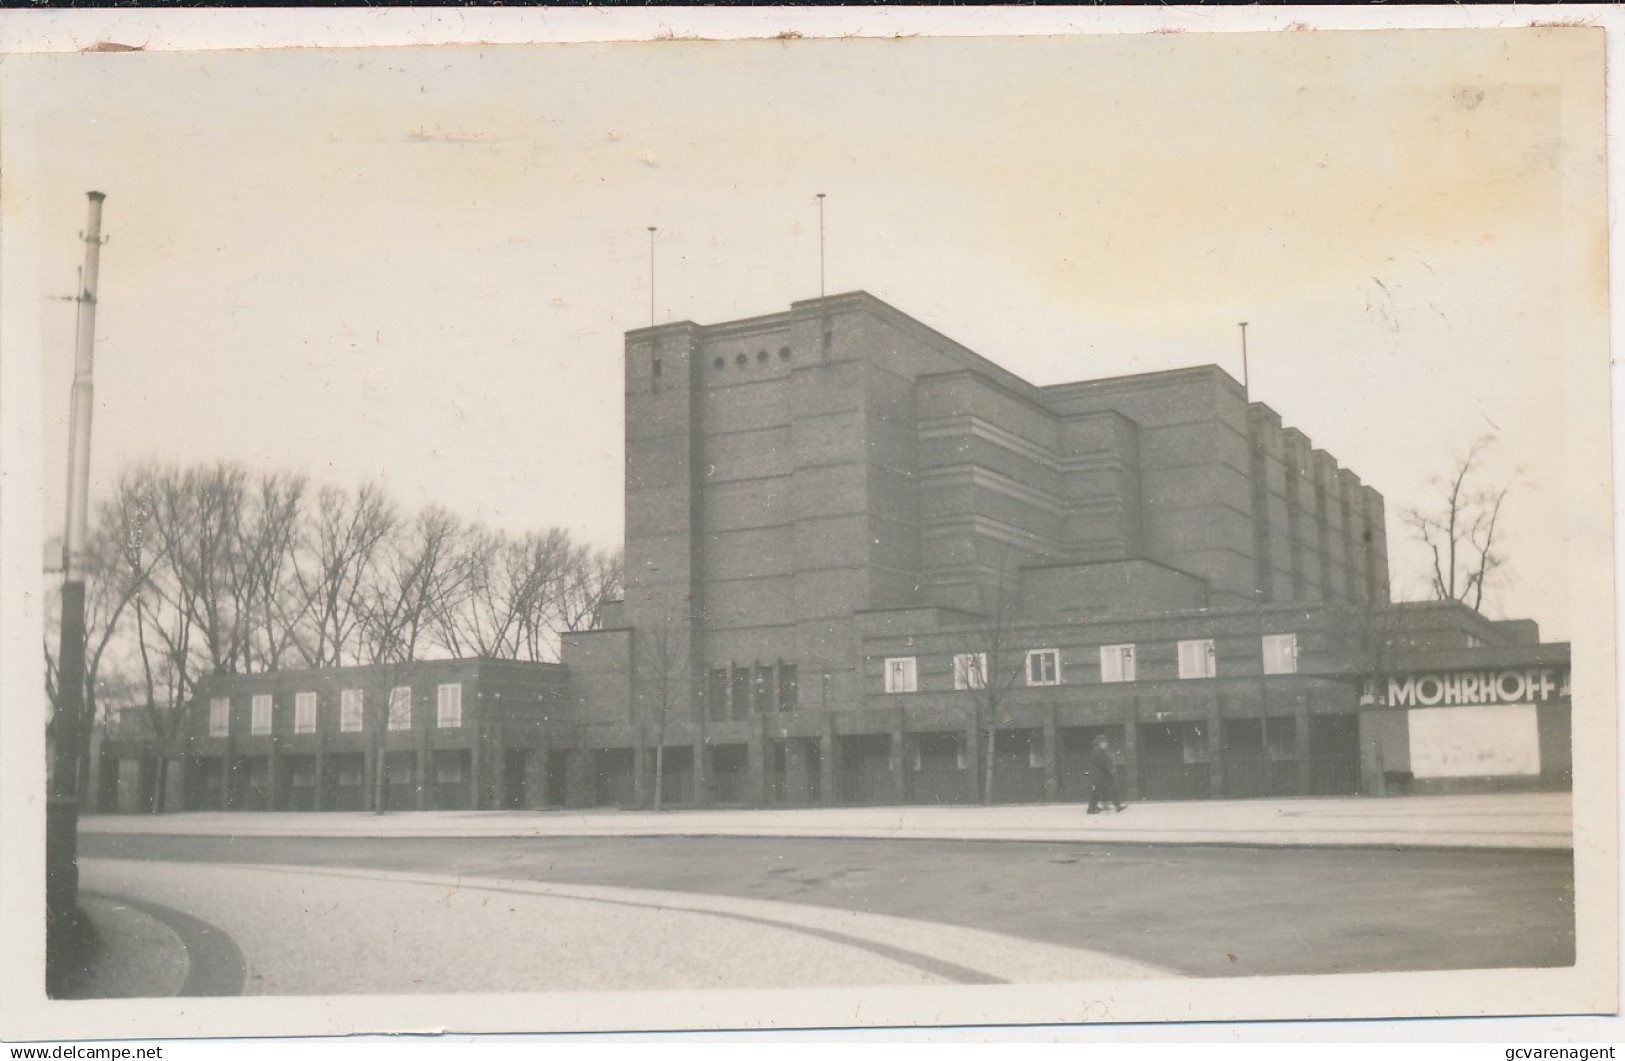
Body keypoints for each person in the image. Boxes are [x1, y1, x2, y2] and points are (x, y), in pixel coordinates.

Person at [1087, 734, 1127, 814]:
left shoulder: (1101, 751)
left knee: (1109, 789)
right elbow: (1102, 763)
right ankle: (1091, 809)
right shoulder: (1097, 751)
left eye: (1105, 742)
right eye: (1103, 742)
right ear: (1099, 743)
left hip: (1103, 775)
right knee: (1098, 791)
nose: (1105, 744)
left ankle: (1117, 805)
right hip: (1099, 775)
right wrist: (1110, 769)